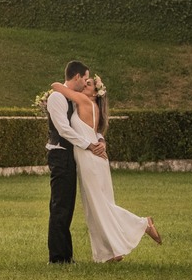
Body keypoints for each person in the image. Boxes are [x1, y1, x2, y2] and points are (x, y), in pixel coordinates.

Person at [51, 73, 162, 262]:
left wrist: (70, 84)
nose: (84, 86)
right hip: (94, 158)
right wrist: (101, 140)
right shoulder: (92, 106)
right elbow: (97, 133)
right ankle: (109, 252)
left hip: (90, 159)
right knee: (96, 207)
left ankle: (142, 224)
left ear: (95, 93)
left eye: (88, 84)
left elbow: (57, 86)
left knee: (99, 205)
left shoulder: (85, 102)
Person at [46, 60, 102, 263]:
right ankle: (58, 257)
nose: (87, 82)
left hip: (72, 156)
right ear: (77, 77)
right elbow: (63, 129)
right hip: (60, 155)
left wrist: (99, 139)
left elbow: (88, 126)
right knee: (60, 205)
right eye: (85, 78)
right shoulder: (57, 98)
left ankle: (65, 255)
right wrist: (88, 145)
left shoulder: (75, 99)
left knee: (67, 206)